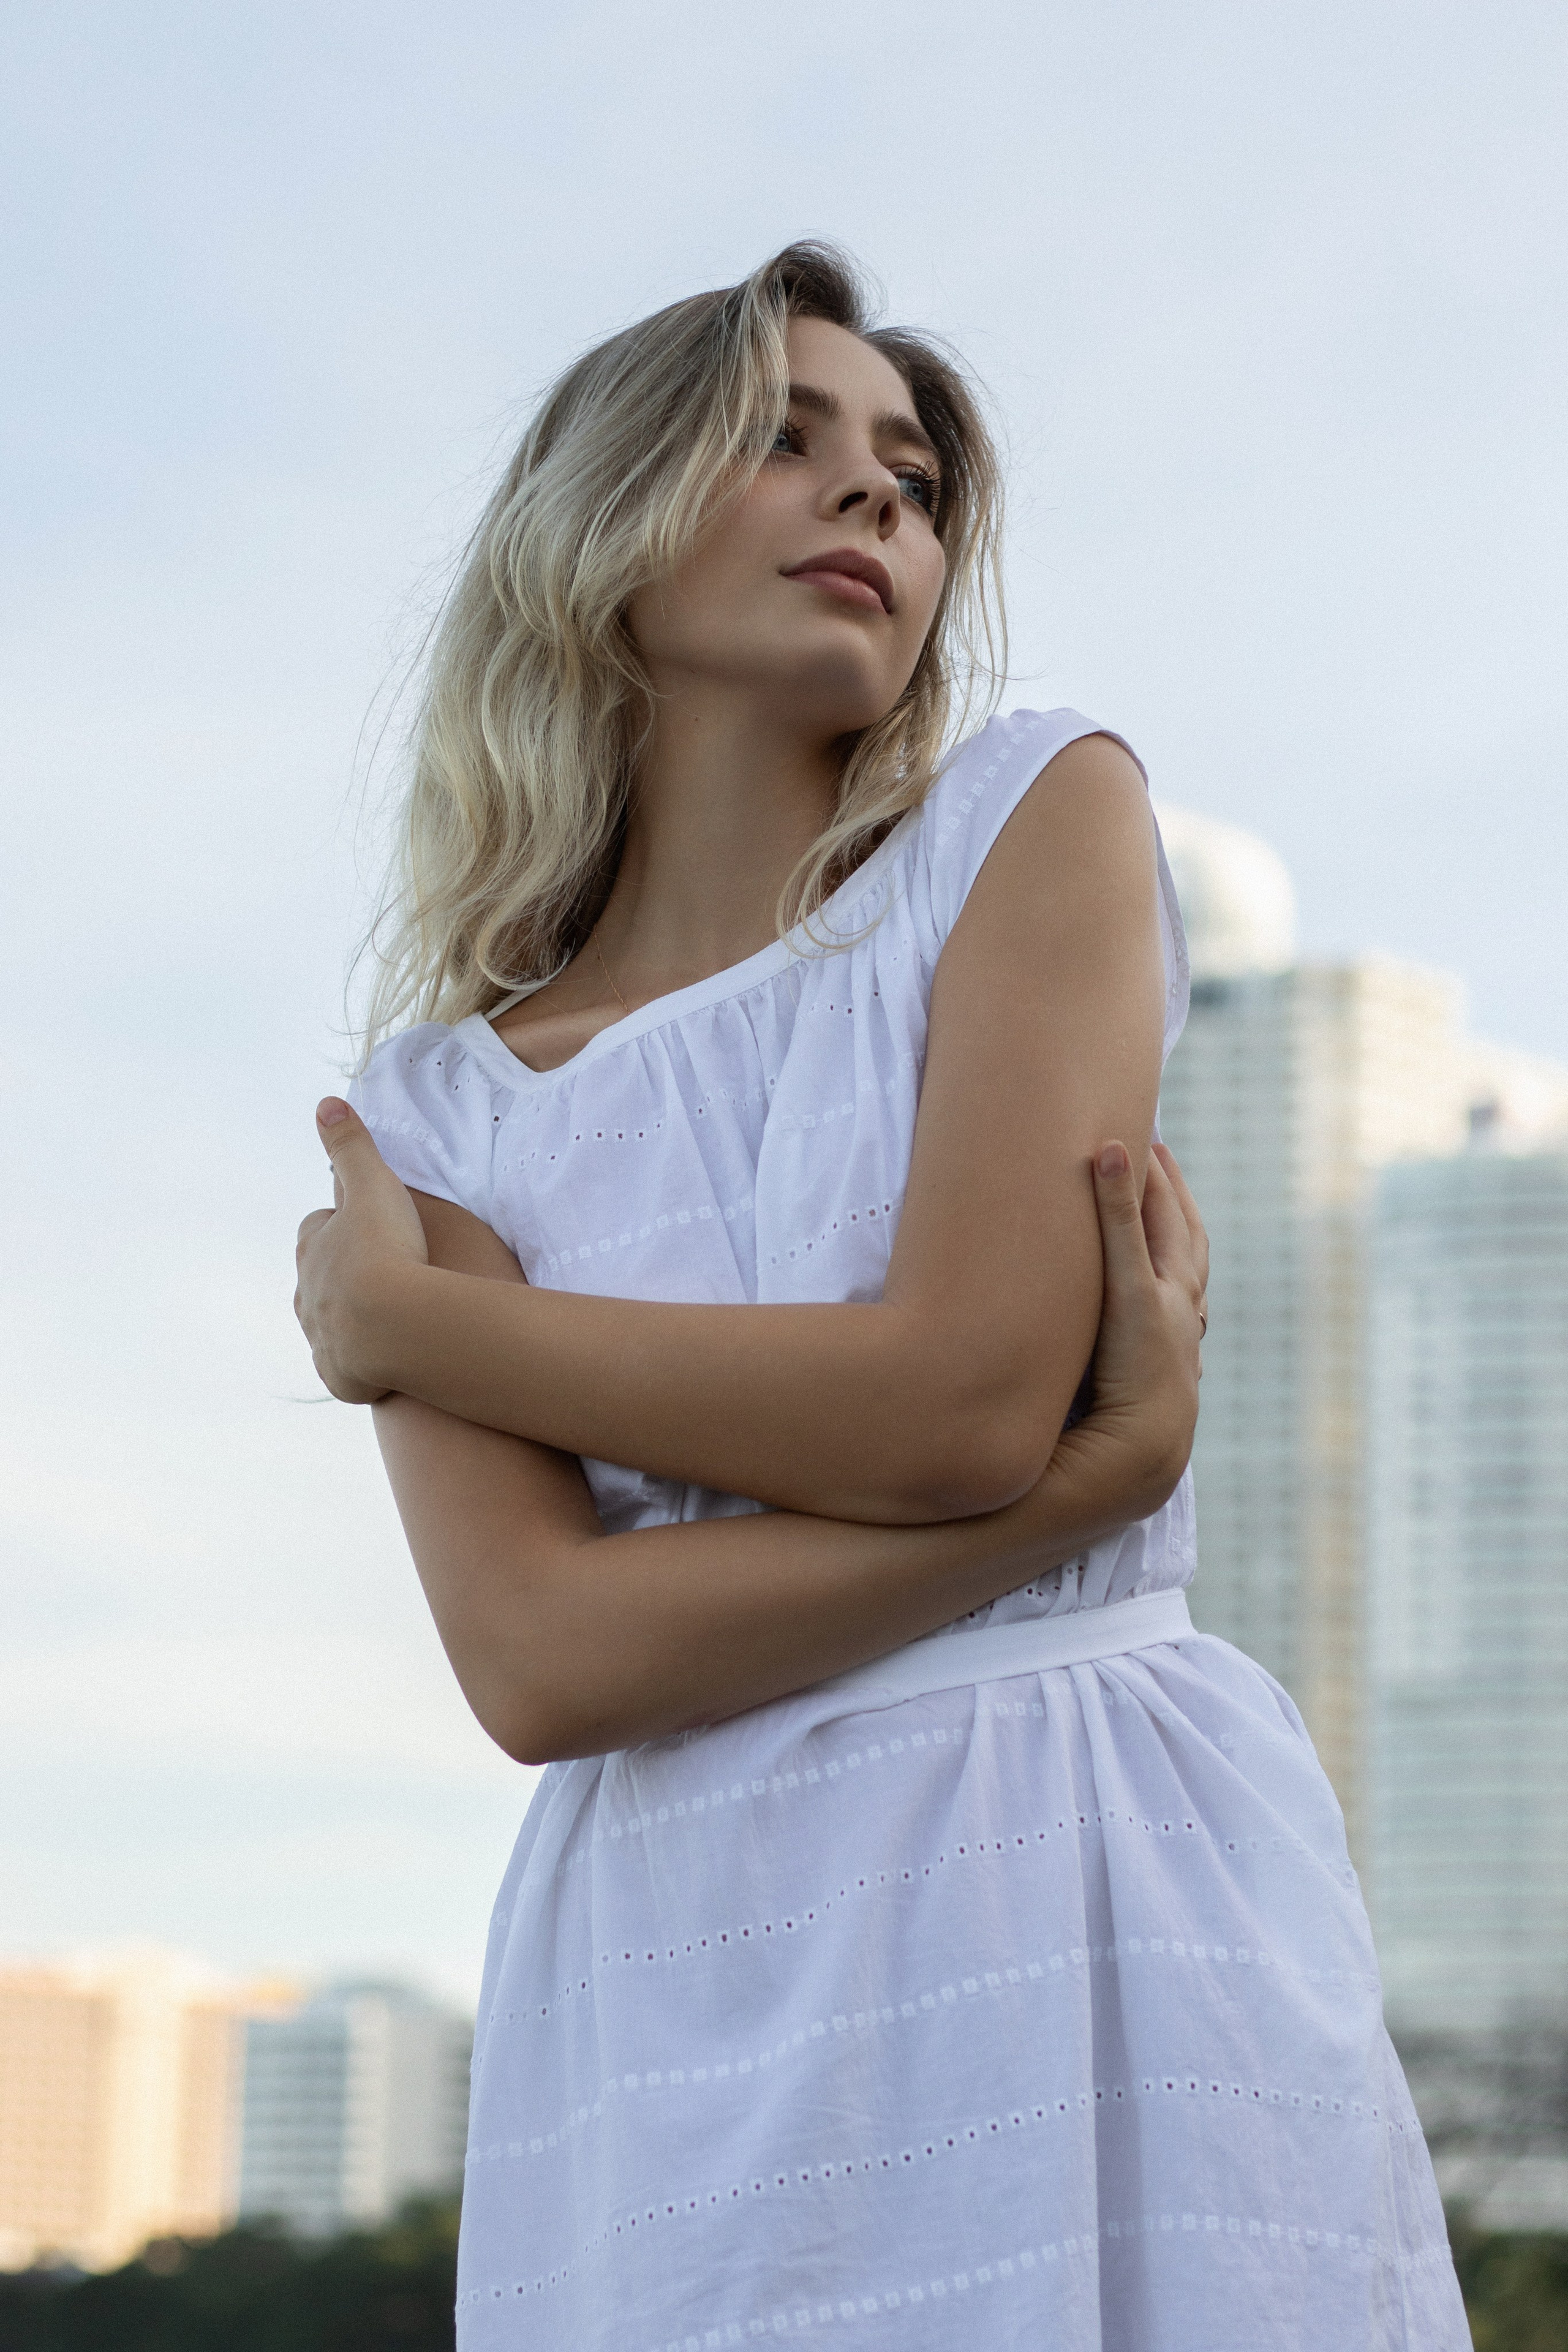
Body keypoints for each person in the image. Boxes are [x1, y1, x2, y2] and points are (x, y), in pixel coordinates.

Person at [293, 245, 1466, 2348]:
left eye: (916, 479)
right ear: (600, 529)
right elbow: (547, 1661)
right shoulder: (436, 1102)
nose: (877, 504)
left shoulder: (1033, 815)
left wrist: (427, 1332)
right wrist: (1075, 1493)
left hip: (1082, 1858)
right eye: (789, 439)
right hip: (673, 1963)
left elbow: (955, 1398)